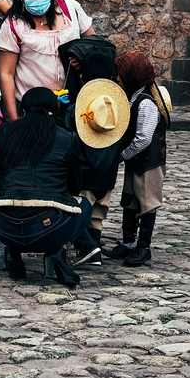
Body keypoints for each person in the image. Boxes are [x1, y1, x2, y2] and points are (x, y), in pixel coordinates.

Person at [0, 88, 93, 287]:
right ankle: (58, 252)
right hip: (49, 228)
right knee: (85, 205)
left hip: (5, 228)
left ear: (23, 111)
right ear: (54, 110)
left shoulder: (4, 132)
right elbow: (75, 188)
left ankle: (12, 253)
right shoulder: (67, 137)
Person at [0, 0, 95, 122]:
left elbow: (94, 46)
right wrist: (14, 120)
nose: (37, 0)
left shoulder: (70, 9)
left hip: (72, 106)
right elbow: (6, 73)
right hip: (32, 111)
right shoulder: (14, 24)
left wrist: (83, 59)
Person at [102, 53, 170, 267]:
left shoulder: (146, 104)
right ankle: (128, 243)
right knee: (130, 200)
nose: (118, 79)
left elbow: (143, 139)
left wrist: (121, 156)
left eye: (121, 75)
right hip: (136, 161)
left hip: (149, 163)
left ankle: (144, 247)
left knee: (147, 203)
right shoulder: (133, 98)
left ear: (133, 75)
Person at [68, 53, 129, 266]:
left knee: (79, 209)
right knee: (97, 214)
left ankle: (87, 249)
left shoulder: (81, 109)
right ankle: (93, 252)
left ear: (82, 77)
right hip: (108, 171)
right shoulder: (113, 108)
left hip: (85, 171)